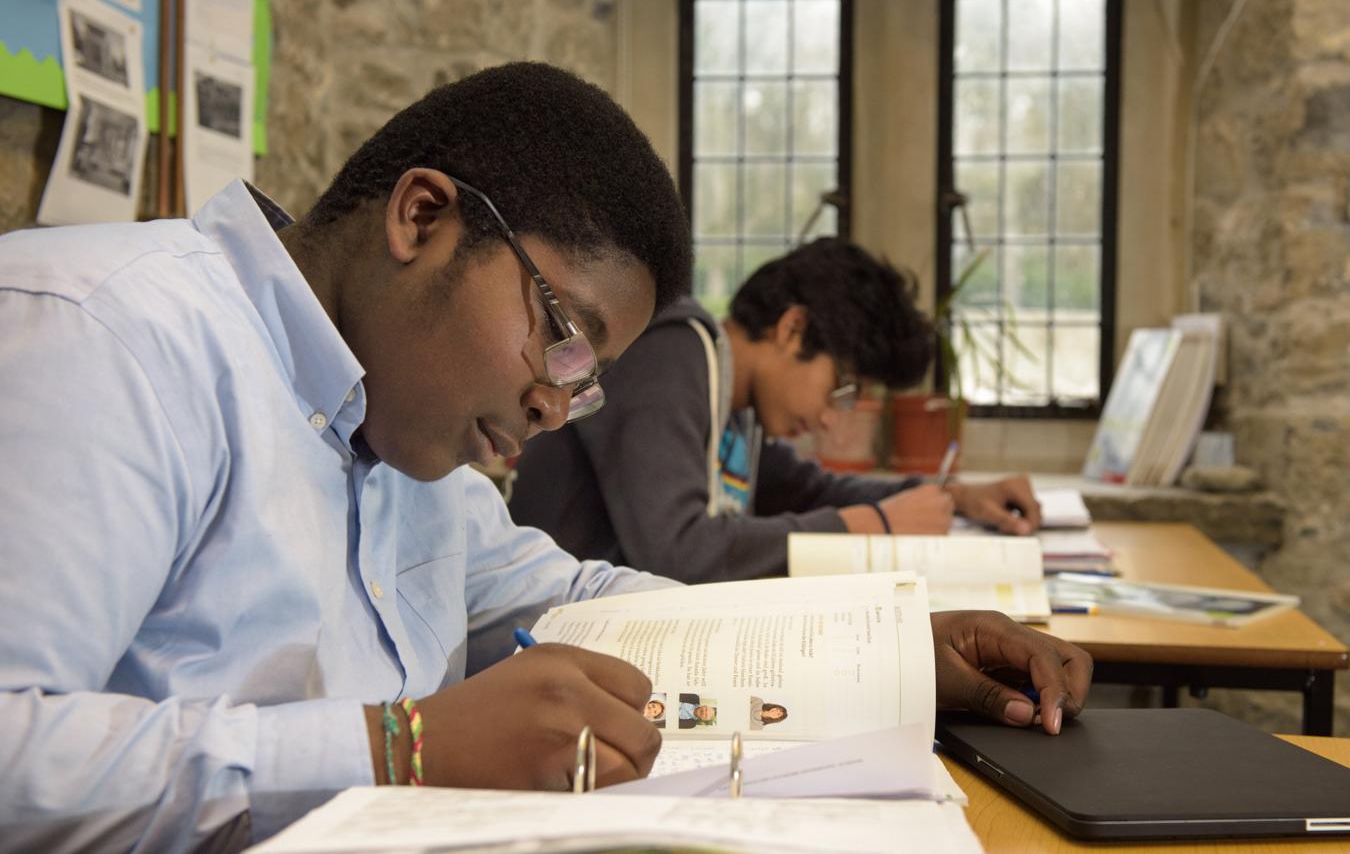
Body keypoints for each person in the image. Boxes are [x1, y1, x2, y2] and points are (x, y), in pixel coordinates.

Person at [0, 63, 1089, 852]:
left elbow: (578, 594)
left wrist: (889, 655)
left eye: (587, 375)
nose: (557, 404)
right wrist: (400, 750)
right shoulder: (109, 338)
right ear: (422, 218)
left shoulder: (401, 447)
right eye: (560, 333)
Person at [508, 238, 1044, 583]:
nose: (834, 418)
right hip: (553, 639)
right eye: (842, 387)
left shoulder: (737, 407)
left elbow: (812, 490)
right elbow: (677, 553)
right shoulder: (671, 350)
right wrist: (870, 525)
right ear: (792, 329)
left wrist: (954, 496)